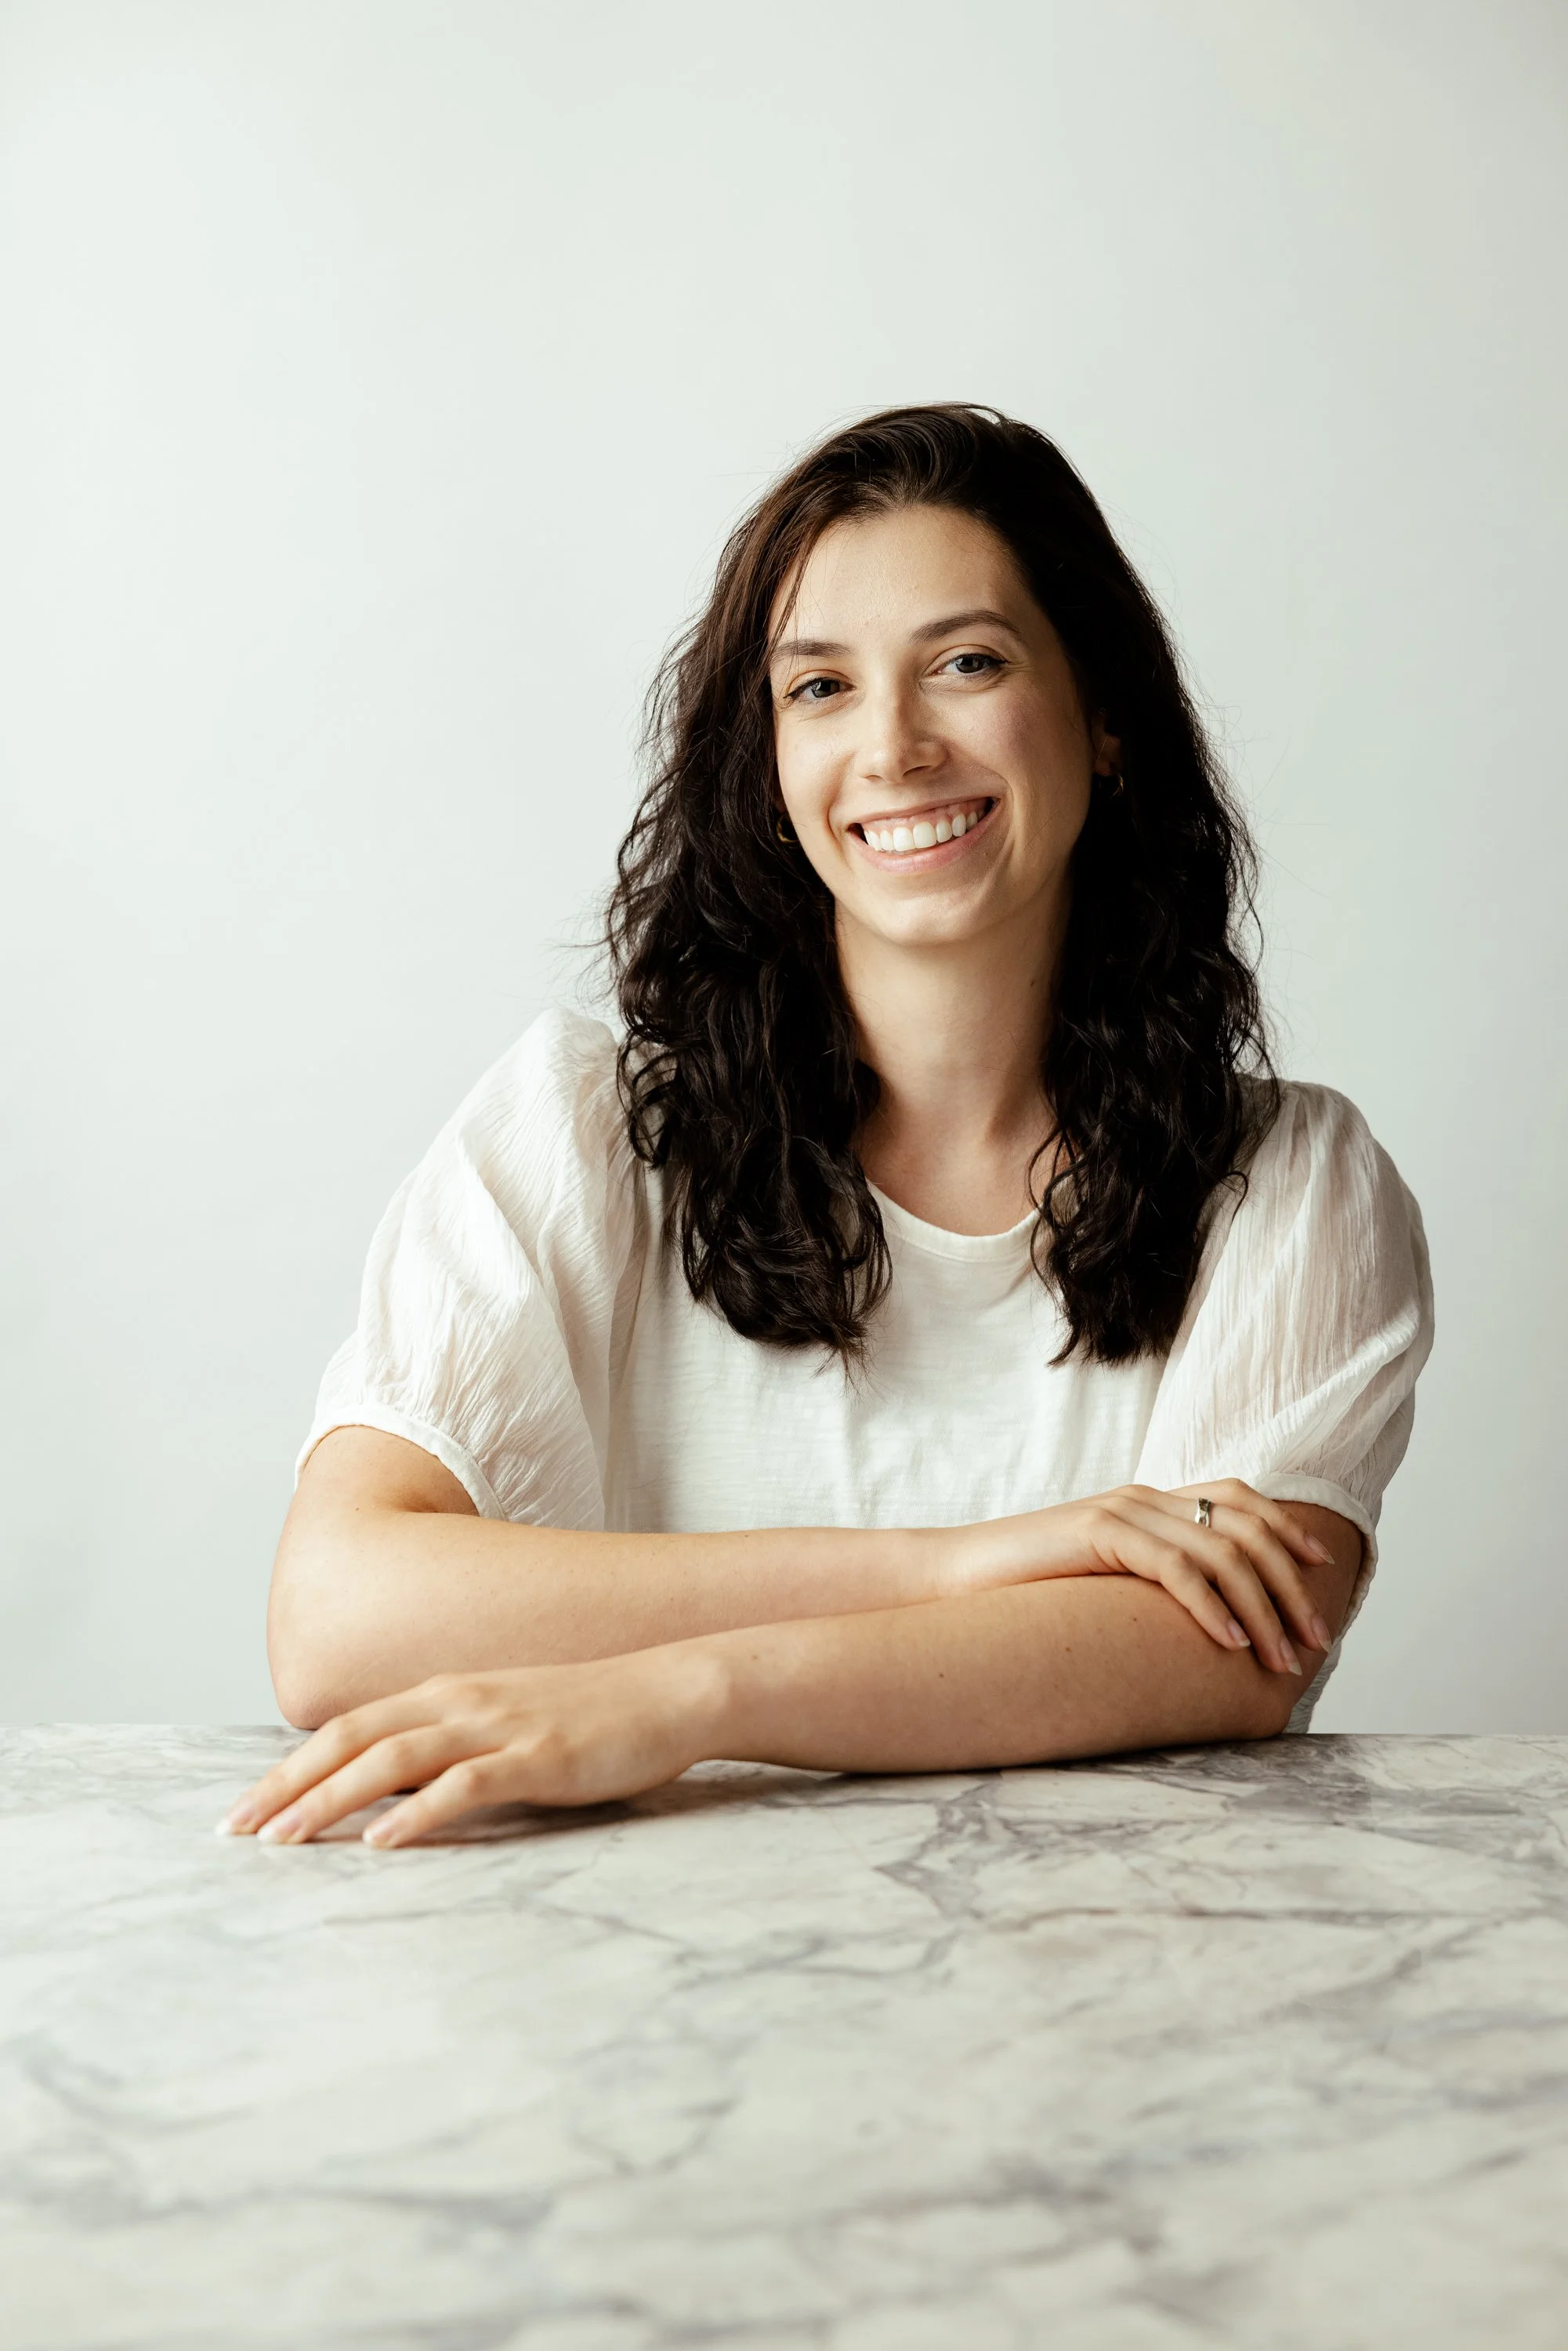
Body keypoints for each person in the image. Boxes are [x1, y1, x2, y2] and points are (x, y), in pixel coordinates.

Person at [220, 405, 1433, 1849]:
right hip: (617, 1998)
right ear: (769, 758)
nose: (896, 748)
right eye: (820, 689)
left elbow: (1225, 1651)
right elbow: (337, 1616)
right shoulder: (579, 1132)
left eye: (967, 665)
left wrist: (686, 1700)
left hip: (1111, 2005)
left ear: (1105, 714)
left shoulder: (1295, 1187)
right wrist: (960, 1571)